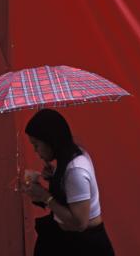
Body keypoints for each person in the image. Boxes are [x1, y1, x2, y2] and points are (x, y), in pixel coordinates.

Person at [22, 108, 115, 256]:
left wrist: (45, 197)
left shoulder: (75, 170)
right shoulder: (68, 159)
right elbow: (69, 196)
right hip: (67, 239)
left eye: (36, 144)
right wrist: (54, 178)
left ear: (50, 140)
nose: (35, 150)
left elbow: (80, 223)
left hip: (86, 245)